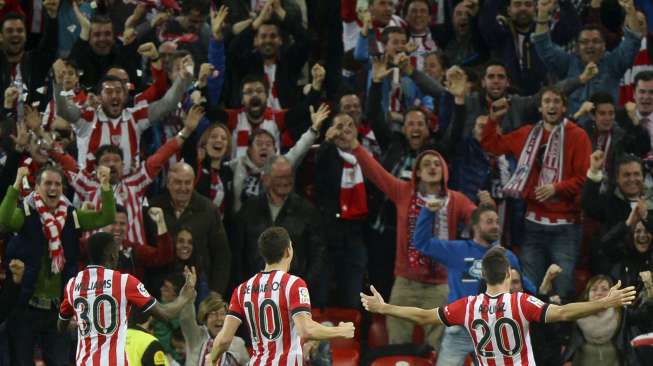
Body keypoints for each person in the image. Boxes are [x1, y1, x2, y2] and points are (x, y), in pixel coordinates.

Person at [361, 246, 637, 366]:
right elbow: (564, 312)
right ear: (508, 274)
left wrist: (385, 308)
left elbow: (422, 316)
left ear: (484, 276)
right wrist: (604, 302)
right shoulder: (520, 302)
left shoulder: (467, 306)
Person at [1, 165, 116, 366]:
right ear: (37, 187)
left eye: (57, 184)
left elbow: (106, 217)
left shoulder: (72, 216)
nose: (53, 188)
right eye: (47, 183)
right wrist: (17, 182)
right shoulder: (25, 214)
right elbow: (3, 219)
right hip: (26, 307)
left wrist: (105, 186)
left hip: (57, 311)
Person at [208, 227, 355, 365]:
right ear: (288, 251)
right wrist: (341, 331)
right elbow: (306, 330)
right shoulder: (293, 284)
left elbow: (224, 340)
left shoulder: (241, 290)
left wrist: (212, 360)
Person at [57, 232, 198, 366]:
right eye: (117, 251)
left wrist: (83, 323)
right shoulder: (124, 282)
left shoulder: (72, 285)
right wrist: (185, 297)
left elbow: (61, 326)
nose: (118, 256)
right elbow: (165, 314)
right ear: (111, 255)